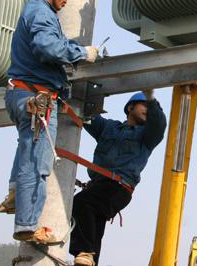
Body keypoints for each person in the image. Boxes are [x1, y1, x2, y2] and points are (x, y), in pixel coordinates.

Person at [0, 0, 99, 243]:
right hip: (36, 98)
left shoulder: (35, 12)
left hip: (21, 93)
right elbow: (47, 47)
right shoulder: (41, 14)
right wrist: (82, 53)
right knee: (37, 163)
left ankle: (16, 194)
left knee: (26, 150)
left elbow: (48, 46)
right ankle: (28, 226)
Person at [70, 91, 167, 266]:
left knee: (81, 203)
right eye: (144, 106)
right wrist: (72, 97)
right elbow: (88, 117)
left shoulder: (147, 136)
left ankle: (84, 251)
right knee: (94, 226)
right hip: (98, 186)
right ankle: (88, 258)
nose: (148, 111)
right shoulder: (109, 128)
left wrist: (151, 99)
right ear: (130, 107)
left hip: (119, 188)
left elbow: (159, 124)